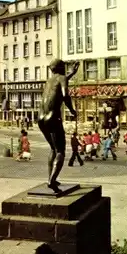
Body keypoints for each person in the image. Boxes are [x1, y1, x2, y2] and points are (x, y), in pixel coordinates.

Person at [38, 59, 79, 193]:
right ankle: (51, 180)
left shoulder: (49, 81)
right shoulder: (62, 78)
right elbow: (65, 94)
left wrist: (72, 73)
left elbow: (61, 80)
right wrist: (72, 111)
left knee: (53, 149)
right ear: (61, 68)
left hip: (41, 118)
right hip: (53, 117)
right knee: (60, 150)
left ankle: (51, 178)